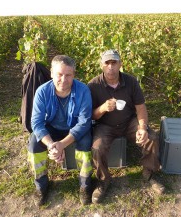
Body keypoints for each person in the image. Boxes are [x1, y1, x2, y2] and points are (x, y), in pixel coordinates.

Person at [88, 49, 165, 204]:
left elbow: (141, 108)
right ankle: (103, 181)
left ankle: (149, 173)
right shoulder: (93, 85)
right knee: (97, 148)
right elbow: (91, 116)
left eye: (114, 63)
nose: (110, 67)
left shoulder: (131, 82)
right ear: (102, 65)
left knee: (151, 138)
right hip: (105, 126)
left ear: (120, 64)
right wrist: (102, 108)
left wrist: (142, 127)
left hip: (129, 122)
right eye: (107, 63)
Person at [27, 55, 93, 206]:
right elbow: (36, 123)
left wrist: (62, 144)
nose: (63, 80)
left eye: (68, 75)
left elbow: (84, 123)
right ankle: (41, 185)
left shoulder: (83, 91)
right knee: (33, 145)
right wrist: (51, 144)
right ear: (51, 73)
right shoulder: (42, 92)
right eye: (59, 74)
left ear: (74, 75)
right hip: (52, 128)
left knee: (86, 143)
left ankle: (85, 185)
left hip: (75, 128)